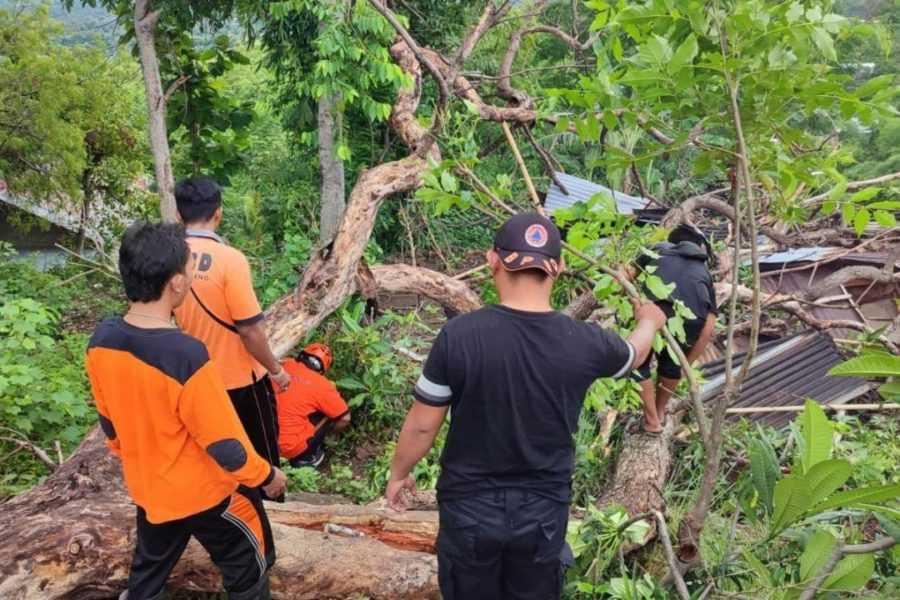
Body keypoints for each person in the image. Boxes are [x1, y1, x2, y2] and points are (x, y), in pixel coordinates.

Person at [384, 213, 667, 600]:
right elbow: (633, 355)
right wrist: (649, 320)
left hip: (469, 508)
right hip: (543, 514)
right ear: (560, 267)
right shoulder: (583, 341)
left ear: (493, 260)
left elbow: (422, 425)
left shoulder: (458, 336)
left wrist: (400, 474)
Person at [85, 222, 288, 600]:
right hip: (209, 495)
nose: (194, 273)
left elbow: (109, 424)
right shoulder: (184, 355)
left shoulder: (103, 340)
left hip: (150, 490)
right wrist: (268, 475)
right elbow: (226, 445)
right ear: (177, 282)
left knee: (146, 579)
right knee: (252, 566)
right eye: (192, 267)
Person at [172, 177, 290, 494]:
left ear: (178, 214)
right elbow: (249, 330)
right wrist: (277, 371)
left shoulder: (167, 257)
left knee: (210, 461)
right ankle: (269, 526)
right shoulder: (230, 259)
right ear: (218, 214)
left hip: (195, 379)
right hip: (241, 382)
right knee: (260, 461)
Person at [630, 223, 718, 435]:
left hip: (653, 306)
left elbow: (624, 276)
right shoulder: (705, 274)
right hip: (690, 318)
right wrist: (685, 365)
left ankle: (651, 419)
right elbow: (709, 327)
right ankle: (659, 413)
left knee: (636, 362)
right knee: (671, 366)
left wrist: (633, 303)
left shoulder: (656, 249)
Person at [276, 343, 351, 469]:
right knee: (334, 413)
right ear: (323, 369)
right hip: (287, 447)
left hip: (259, 439)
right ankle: (306, 458)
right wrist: (331, 433)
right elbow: (345, 418)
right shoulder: (323, 385)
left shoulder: (282, 366)